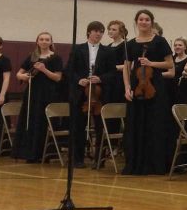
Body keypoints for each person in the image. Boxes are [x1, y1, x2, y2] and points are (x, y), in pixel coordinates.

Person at [122, 9, 173, 175]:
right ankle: (136, 164)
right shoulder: (130, 43)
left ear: (151, 22)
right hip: (136, 88)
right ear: (136, 22)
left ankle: (155, 164)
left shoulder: (160, 41)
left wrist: (151, 63)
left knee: (155, 125)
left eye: (147, 20)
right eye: (141, 19)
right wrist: (127, 87)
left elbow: (169, 64)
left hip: (155, 87)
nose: (143, 22)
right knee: (136, 125)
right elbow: (126, 67)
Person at [67, 21, 115, 168]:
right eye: (95, 31)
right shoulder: (77, 49)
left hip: (99, 94)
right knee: (78, 126)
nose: (98, 34)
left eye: (101, 31)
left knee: (100, 127)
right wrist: (79, 80)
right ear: (89, 32)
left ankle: (99, 160)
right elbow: (69, 70)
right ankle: (77, 159)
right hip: (81, 93)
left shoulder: (108, 51)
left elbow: (113, 73)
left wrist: (100, 78)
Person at [13, 32, 63, 163]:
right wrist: (23, 77)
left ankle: (44, 153)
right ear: (37, 41)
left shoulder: (56, 58)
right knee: (30, 121)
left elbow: (58, 78)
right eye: (41, 39)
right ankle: (28, 152)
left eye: (47, 39)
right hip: (32, 94)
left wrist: (44, 70)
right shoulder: (32, 56)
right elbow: (19, 74)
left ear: (51, 42)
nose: (44, 41)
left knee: (43, 122)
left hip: (49, 94)